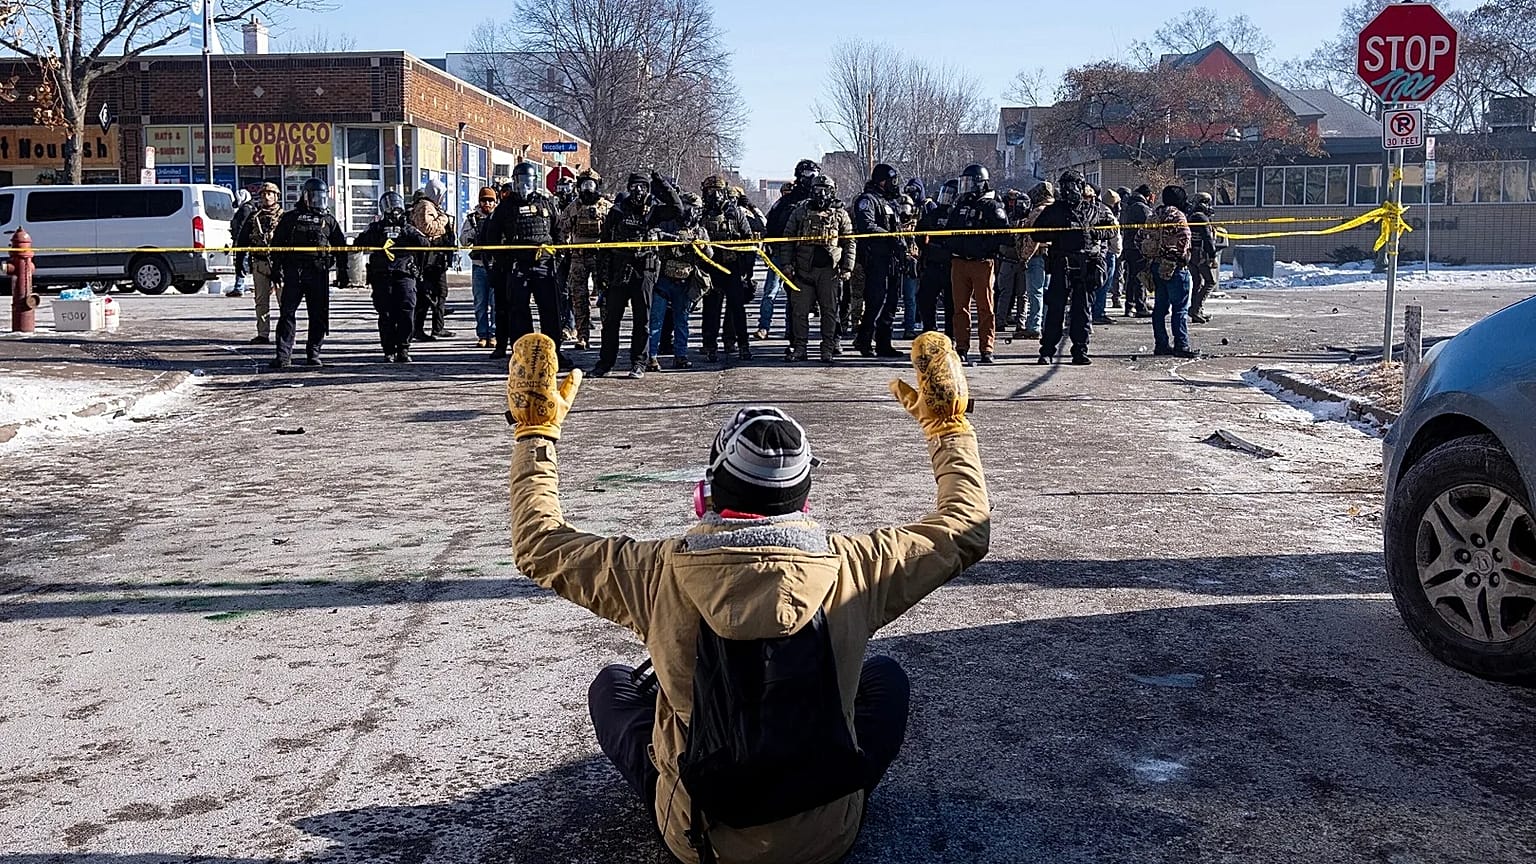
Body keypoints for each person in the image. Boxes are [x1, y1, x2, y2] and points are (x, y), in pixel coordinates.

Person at [503, 325, 989, 864]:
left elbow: (538, 544)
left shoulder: (654, 572)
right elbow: (965, 528)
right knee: (885, 678)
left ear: (706, 494)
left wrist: (535, 434)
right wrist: (949, 429)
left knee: (615, 686)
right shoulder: (857, 566)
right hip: (827, 838)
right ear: (804, 499)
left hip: (700, 838)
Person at [1030, 171, 1117, 366]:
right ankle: (1047, 350)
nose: (1068, 190)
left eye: (1072, 185)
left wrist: (1094, 233)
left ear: (1081, 186)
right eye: (1065, 186)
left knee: (1082, 311)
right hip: (1062, 264)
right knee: (1055, 309)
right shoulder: (1055, 210)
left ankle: (1080, 350)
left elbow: (1112, 228)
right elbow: (1036, 233)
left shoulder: (1095, 209)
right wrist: (1057, 233)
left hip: (1087, 265)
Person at [485, 161, 565, 365]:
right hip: (518, 266)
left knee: (550, 310)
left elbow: (558, 233)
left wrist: (558, 257)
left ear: (535, 182)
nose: (524, 186)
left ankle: (554, 352)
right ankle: (524, 355)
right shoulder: (505, 207)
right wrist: (504, 262)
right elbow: (492, 238)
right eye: (520, 181)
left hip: (544, 265)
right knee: (518, 311)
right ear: (514, 182)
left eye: (528, 181)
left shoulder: (546, 204)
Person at [268, 178, 347, 370]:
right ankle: (283, 356)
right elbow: (276, 245)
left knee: (318, 314)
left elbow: (341, 247)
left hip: (318, 271)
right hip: (294, 272)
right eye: (314, 197)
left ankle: (314, 353)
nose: (318, 201)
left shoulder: (328, 220)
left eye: (321, 197)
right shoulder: (291, 218)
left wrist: (343, 272)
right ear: (305, 197)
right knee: (287, 314)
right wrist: (275, 269)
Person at [594, 172, 663, 379]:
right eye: (634, 186)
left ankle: (639, 363)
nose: (638, 191)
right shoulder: (617, 211)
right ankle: (605, 363)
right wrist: (601, 277)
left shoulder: (654, 211)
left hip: (644, 270)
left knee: (642, 320)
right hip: (619, 269)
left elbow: (677, 208)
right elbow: (605, 244)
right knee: (611, 321)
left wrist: (661, 183)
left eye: (643, 187)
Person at [784, 174, 855, 364]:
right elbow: (788, 238)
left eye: (825, 190)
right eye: (817, 190)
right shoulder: (800, 212)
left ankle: (828, 349)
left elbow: (849, 241)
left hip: (829, 271)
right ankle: (800, 348)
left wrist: (847, 267)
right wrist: (787, 264)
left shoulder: (840, 214)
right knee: (799, 312)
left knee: (829, 311)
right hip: (803, 271)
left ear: (832, 192)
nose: (821, 194)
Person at [945, 164, 1009, 365]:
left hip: (982, 263)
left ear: (980, 183)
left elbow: (1005, 234)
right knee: (960, 308)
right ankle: (961, 347)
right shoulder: (960, 205)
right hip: (959, 261)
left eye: (970, 182)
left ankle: (986, 348)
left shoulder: (992, 206)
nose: (966, 187)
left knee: (985, 307)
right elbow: (948, 230)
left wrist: (985, 246)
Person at [355, 191, 427, 363]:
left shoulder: (408, 227)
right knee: (386, 313)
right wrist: (379, 231)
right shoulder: (376, 227)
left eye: (396, 206)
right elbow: (359, 242)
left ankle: (403, 348)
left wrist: (405, 230)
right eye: (390, 207)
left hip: (404, 273)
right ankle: (388, 350)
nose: (393, 211)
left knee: (407, 310)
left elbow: (425, 243)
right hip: (382, 275)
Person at [646, 191, 713, 371]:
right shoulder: (668, 224)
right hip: (663, 280)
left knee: (682, 321)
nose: (691, 212)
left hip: (685, 282)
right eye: (689, 208)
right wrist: (663, 237)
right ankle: (651, 357)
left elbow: (710, 255)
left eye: (695, 209)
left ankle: (680, 356)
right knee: (656, 321)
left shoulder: (700, 230)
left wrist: (702, 246)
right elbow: (652, 237)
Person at [851, 163, 905, 359]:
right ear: (881, 181)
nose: (894, 184)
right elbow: (867, 225)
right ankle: (864, 340)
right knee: (876, 301)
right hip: (876, 259)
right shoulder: (867, 200)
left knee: (891, 302)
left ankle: (884, 343)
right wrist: (889, 237)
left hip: (893, 259)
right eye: (891, 181)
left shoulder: (889, 202)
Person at [698, 175, 754, 363]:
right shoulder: (701, 214)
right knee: (711, 310)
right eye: (711, 191)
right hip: (710, 268)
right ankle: (710, 345)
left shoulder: (735, 213)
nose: (715, 195)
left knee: (737, 308)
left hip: (732, 268)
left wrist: (747, 269)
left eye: (718, 191)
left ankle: (743, 345)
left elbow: (748, 239)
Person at [1142, 185, 1200, 358]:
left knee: (1160, 308)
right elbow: (1185, 237)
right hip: (1175, 267)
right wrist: (1181, 256)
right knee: (1180, 308)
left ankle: (1161, 344)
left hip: (1156, 265)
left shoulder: (1154, 214)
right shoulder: (1178, 216)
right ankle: (1181, 345)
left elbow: (1140, 237)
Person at [561, 169, 612, 351]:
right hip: (579, 257)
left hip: (600, 257)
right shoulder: (573, 207)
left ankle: (607, 334)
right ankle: (582, 336)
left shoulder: (607, 207)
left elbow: (616, 231)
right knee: (579, 298)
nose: (588, 188)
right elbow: (562, 230)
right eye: (584, 185)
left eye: (591, 184)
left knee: (605, 297)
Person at [236, 182, 283, 345]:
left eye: (270, 194)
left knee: (284, 302)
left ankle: (285, 335)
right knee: (261, 301)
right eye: (263, 194)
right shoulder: (253, 217)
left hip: (280, 265)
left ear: (276, 196)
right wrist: (240, 263)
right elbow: (242, 240)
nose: (266, 197)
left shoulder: (285, 217)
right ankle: (263, 334)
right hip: (260, 263)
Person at [409, 188, 457, 342]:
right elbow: (427, 228)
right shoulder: (425, 206)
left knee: (437, 293)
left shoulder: (432, 207)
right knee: (428, 294)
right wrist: (444, 220)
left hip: (436, 258)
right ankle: (421, 329)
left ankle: (436, 327)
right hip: (429, 259)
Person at [755, 181, 798, 341]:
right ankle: (764, 327)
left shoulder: (801, 208)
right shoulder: (777, 207)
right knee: (770, 293)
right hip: (778, 255)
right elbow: (767, 227)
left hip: (795, 256)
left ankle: (791, 329)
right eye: (785, 193)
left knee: (794, 296)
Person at [915, 179, 957, 336]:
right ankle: (929, 330)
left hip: (952, 264)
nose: (946, 198)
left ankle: (951, 335)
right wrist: (926, 248)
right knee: (925, 298)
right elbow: (919, 231)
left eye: (950, 195)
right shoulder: (934, 213)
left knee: (951, 303)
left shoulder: (959, 215)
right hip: (933, 263)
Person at [1015, 181, 1053, 340]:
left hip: (1037, 256)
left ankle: (1033, 326)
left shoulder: (1038, 211)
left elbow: (1033, 238)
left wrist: (1025, 257)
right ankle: (1045, 324)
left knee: (1035, 292)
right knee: (1046, 292)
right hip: (1050, 256)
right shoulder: (1055, 210)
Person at [463, 186, 499, 348]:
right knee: (480, 303)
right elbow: (463, 240)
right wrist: (474, 232)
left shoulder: (500, 217)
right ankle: (482, 334)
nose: (487, 204)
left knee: (496, 303)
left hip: (496, 265)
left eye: (491, 200)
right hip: (479, 266)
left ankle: (494, 334)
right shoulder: (472, 219)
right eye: (484, 200)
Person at [993, 192, 1027, 338]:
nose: (1021, 206)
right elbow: (1002, 238)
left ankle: (1021, 322)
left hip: (1023, 261)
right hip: (1008, 259)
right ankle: (1000, 320)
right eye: (1018, 203)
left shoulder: (1029, 221)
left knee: (1022, 294)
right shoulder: (1007, 218)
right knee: (1005, 292)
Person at [1120, 184, 1155, 318]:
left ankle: (1130, 305)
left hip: (1129, 245)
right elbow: (1151, 223)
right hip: (1138, 247)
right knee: (1140, 276)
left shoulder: (1129, 205)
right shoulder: (1141, 207)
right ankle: (1140, 306)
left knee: (1131, 277)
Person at [1187, 191, 1220, 324]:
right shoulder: (1201, 218)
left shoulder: (1190, 216)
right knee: (1210, 281)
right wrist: (1212, 255)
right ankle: (1196, 309)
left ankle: (1196, 311)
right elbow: (1207, 238)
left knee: (1197, 282)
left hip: (1190, 255)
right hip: (1200, 255)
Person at [1091, 187, 1122, 327]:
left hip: (1099, 252)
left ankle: (1095, 311)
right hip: (1108, 253)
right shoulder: (1108, 214)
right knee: (1103, 284)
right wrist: (1117, 251)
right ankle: (1098, 313)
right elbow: (1115, 237)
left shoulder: (1097, 209)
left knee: (1098, 284)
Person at [896, 194, 921, 339]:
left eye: (906, 208)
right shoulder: (893, 223)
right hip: (895, 263)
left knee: (910, 298)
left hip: (911, 264)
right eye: (901, 208)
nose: (904, 211)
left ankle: (909, 328)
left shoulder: (917, 224)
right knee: (890, 299)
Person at [226, 188, 255, 298]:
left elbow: (241, 226)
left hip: (243, 242)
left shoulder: (245, 209)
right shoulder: (250, 208)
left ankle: (239, 287)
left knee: (241, 263)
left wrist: (237, 240)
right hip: (247, 241)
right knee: (245, 263)